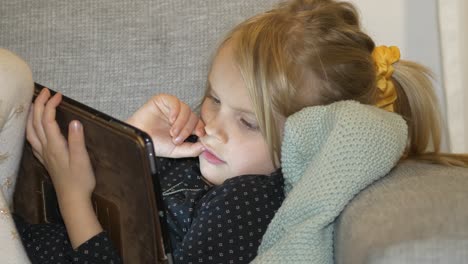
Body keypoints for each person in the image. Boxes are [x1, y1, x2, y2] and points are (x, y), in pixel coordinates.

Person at [7, 0, 468, 263]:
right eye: (213, 98)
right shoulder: (200, 161)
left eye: (247, 122)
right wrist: (132, 144)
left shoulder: (246, 199)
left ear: (304, 142)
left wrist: (74, 199)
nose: (213, 127)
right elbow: (131, 228)